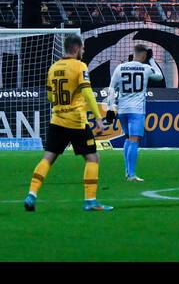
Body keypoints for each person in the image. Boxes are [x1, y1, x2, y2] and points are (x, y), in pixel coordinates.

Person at [24, 36, 117, 212]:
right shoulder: (79, 66)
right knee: (92, 158)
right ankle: (90, 201)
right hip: (76, 122)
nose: (83, 52)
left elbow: (50, 97)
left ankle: (32, 194)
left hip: (57, 120)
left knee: (48, 158)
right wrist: (98, 117)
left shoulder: (53, 68)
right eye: (82, 49)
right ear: (76, 48)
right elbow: (88, 92)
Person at [107, 44, 165, 182]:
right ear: (144, 55)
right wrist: (151, 60)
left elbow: (111, 88)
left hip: (122, 110)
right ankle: (131, 175)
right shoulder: (145, 68)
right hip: (136, 111)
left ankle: (127, 172)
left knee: (128, 138)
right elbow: (160, 76)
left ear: (133, 53)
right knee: (134, 140)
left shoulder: (120, 67)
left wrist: (110, 108)